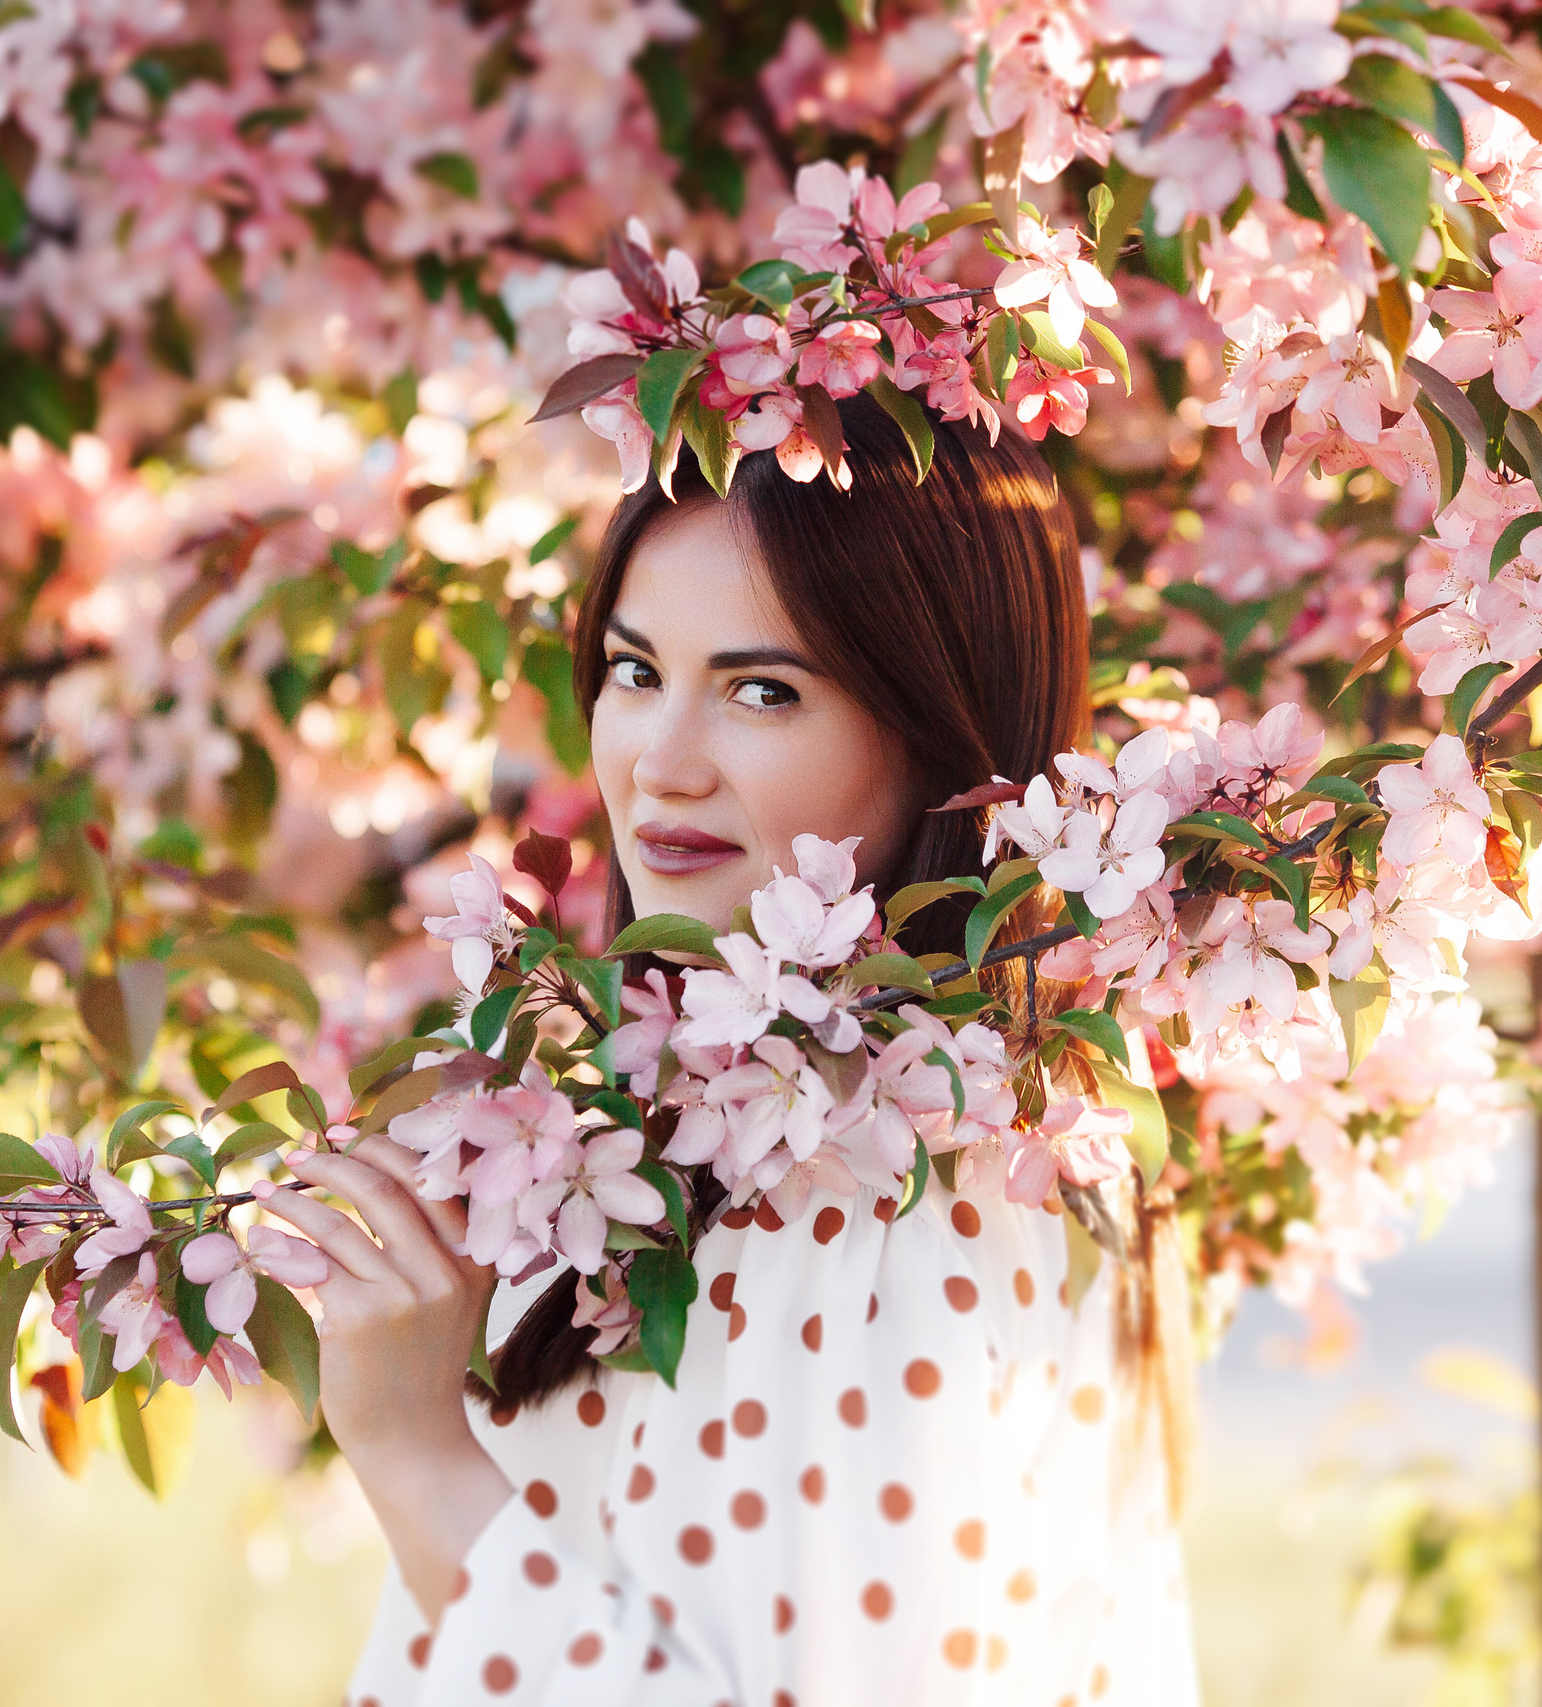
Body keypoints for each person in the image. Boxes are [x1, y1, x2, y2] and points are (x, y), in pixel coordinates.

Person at [257, 395, 1201, 1706]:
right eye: (637, 673)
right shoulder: (715, 1125)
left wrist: (415, 1448)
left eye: (763, 690)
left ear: (942, 738)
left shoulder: (909, 1188)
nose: (661, 762)